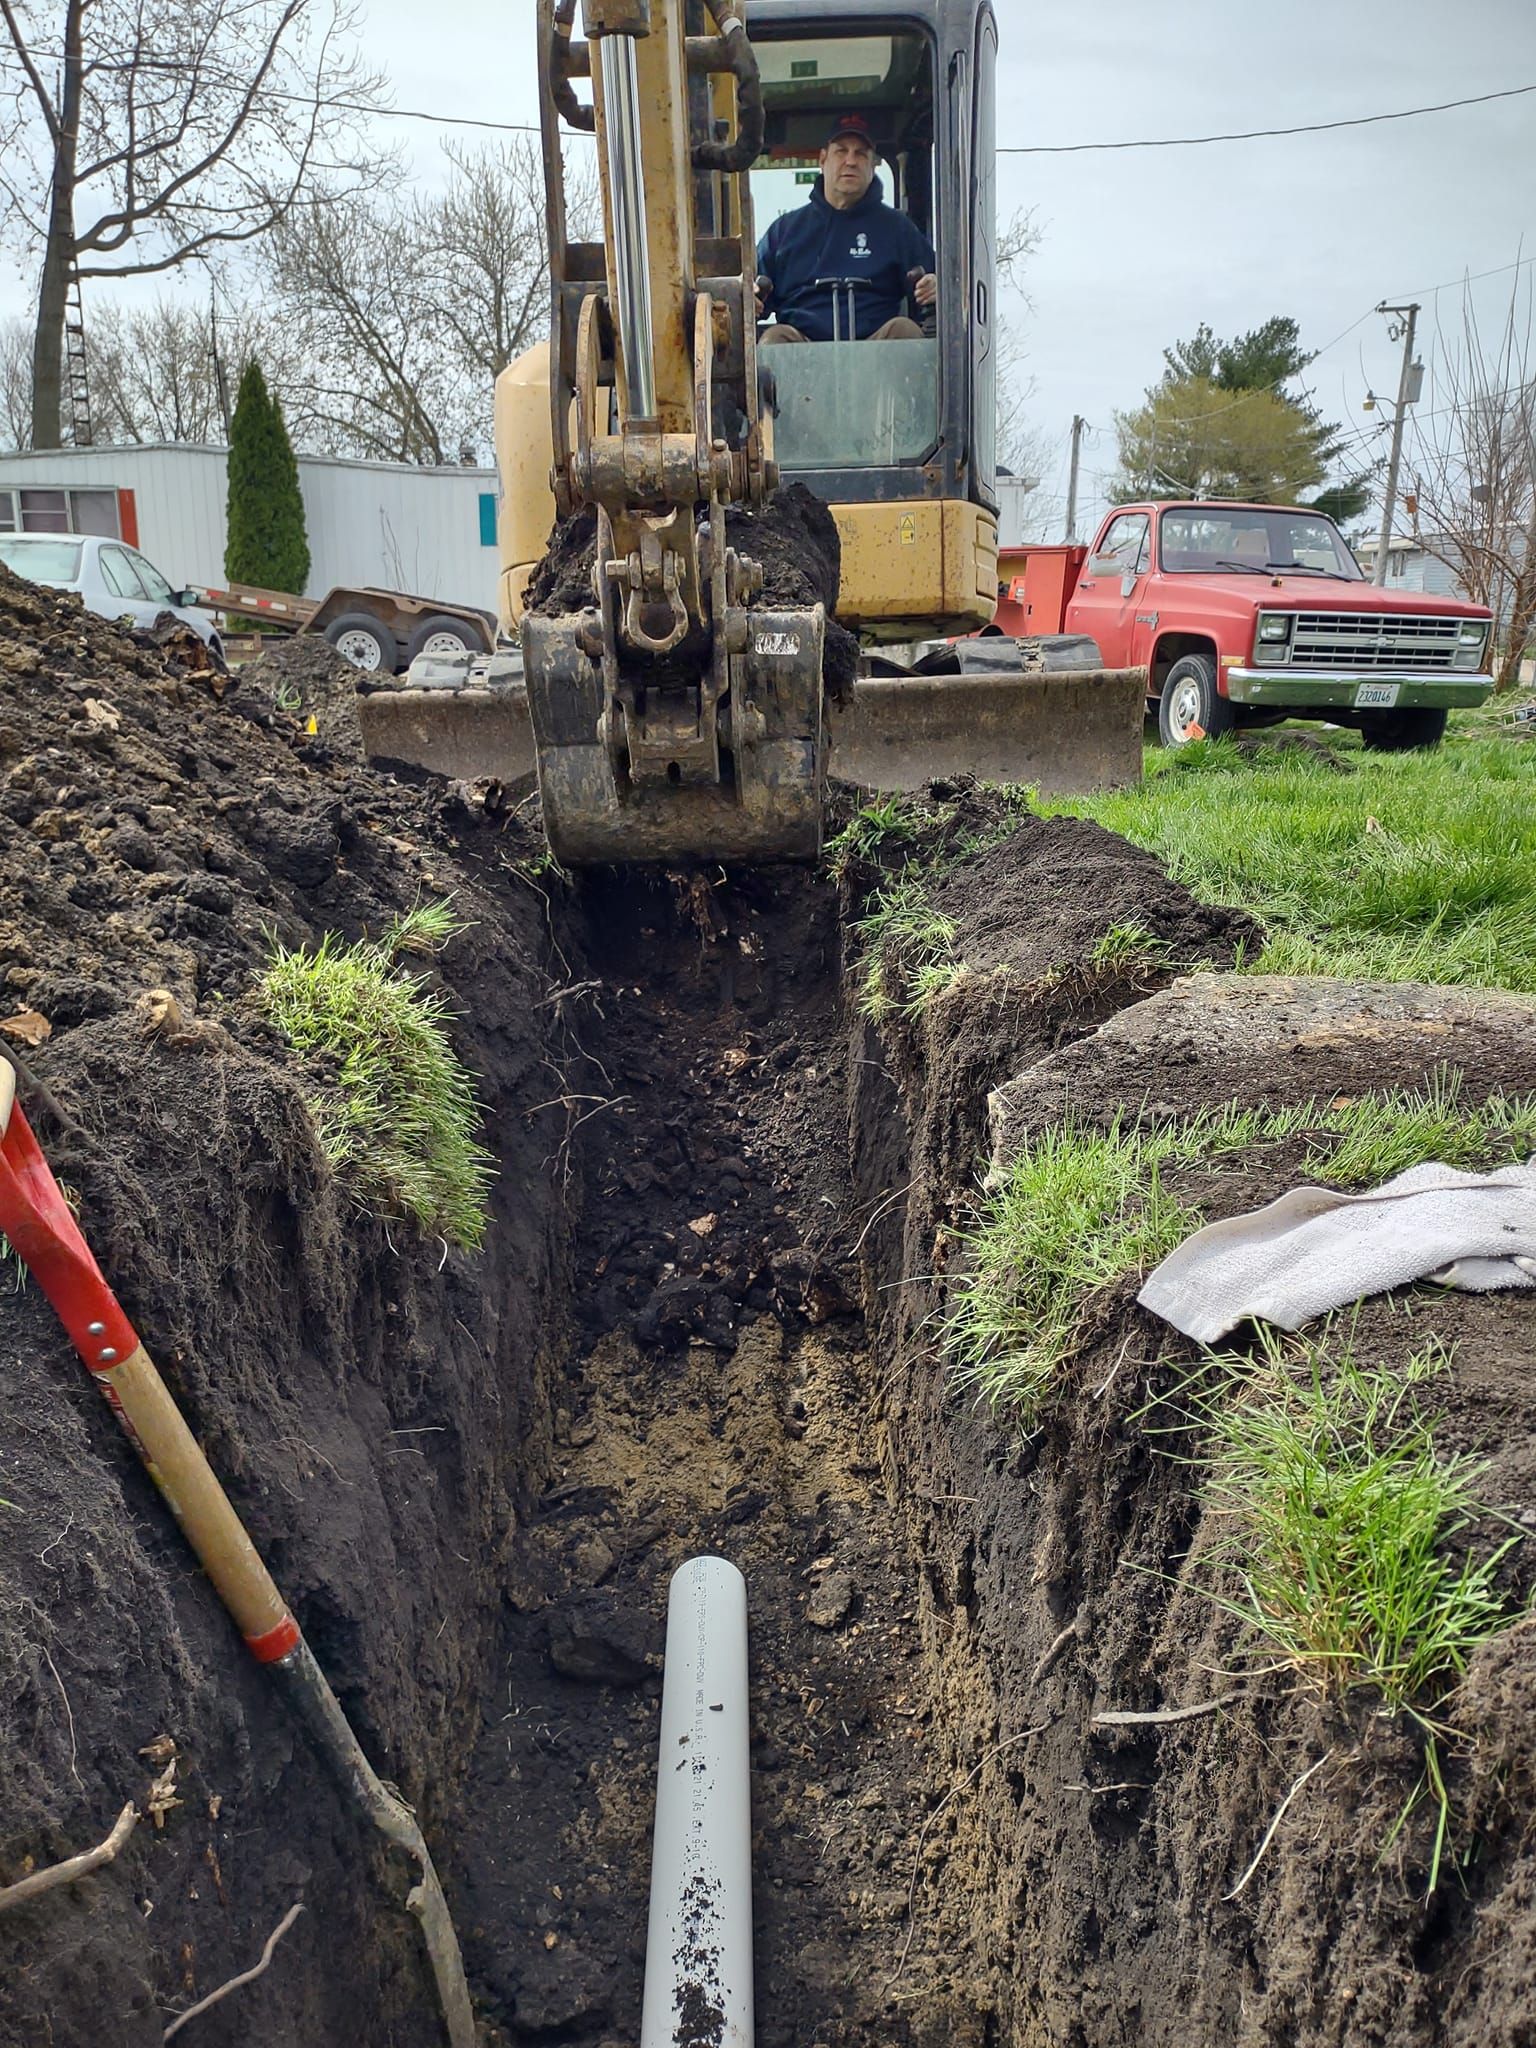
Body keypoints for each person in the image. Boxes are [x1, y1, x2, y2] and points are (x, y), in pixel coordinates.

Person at [756, 113, 936, 345]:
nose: (850, 161)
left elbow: (934, 281)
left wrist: (933, 285)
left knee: (904, 330)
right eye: (841, 151)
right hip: (802, 354)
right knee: (775, 338)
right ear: (823, 160)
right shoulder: (784, 232)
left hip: (879, 357)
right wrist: (752, 297)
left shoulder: (897, 229)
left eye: (861, 153)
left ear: (873, 165)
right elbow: (753, 291)